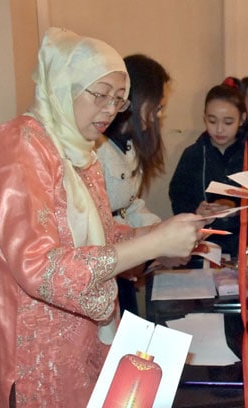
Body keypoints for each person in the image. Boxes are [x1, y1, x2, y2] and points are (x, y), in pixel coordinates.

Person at [0, 28, 205, 407]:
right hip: (34, 355)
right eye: (101, 95)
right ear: (64, 84)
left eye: (119, 100)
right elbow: (41, 268)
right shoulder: (15, 147)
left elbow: (100, 241)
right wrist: (153, 242)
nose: (110, 110)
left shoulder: (79, 152)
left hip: (82, 341)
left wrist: (159, 239)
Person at [97, 54, 170, 316]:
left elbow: (130, 204)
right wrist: (157, 242)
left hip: (125, 256)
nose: (159, 115)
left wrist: (163, 232)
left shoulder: (130, 143)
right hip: (108, 262)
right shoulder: (98, 148)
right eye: (158, 106)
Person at [168, 84, 248, 256]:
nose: (219, 129)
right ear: (204, 118)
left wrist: (246, 209)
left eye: (228, 122)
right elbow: (177, 195)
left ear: (242, 119)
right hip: (201, 247)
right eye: (212, 121)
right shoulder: (193, 154)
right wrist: (196, 211)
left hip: (246, 247)